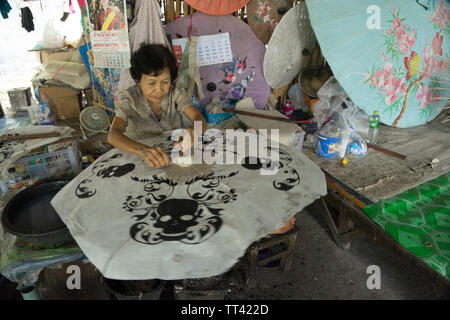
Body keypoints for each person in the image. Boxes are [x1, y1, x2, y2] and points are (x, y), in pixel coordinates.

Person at [108, 44, 206, 168]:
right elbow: (113, 135)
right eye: (151, 83)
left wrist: (194, 132)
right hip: (141, 159)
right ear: (139, 80)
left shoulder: (175, 93)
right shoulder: (130, 98)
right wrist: (143, 151)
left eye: (165, 82)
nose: (159, 90)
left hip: (174, 155)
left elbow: (198, 117)